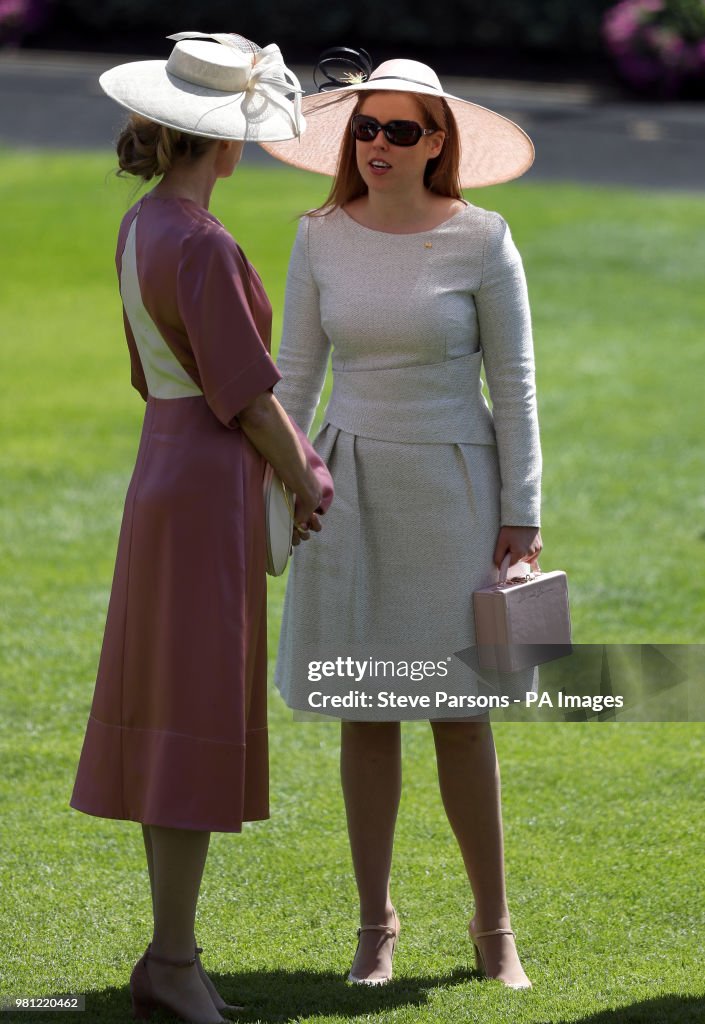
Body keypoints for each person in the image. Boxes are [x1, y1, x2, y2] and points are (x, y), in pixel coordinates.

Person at [262, 55, 542, 990]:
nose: (377, 146)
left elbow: (515, 386)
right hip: (346, 487)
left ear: (438, 143)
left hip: (459, 489)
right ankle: (373, 925)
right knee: (366, 710)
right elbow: (291, 377)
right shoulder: (318, 236)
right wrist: (279, 485)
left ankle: (494, 928)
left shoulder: (485, 238)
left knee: (462, 717)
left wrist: (522, 511)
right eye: (365, 129)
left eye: (399, 130)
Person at [70, 33, 333, 1024]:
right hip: (203, 488)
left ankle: (172, 957)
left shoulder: (144, 225)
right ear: (225, 143)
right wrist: (306, 475)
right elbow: (249, 397)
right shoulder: (203, 242)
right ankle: (173, 960)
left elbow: (159, 377)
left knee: (171, 716)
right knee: (190, 716)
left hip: (161, 473)